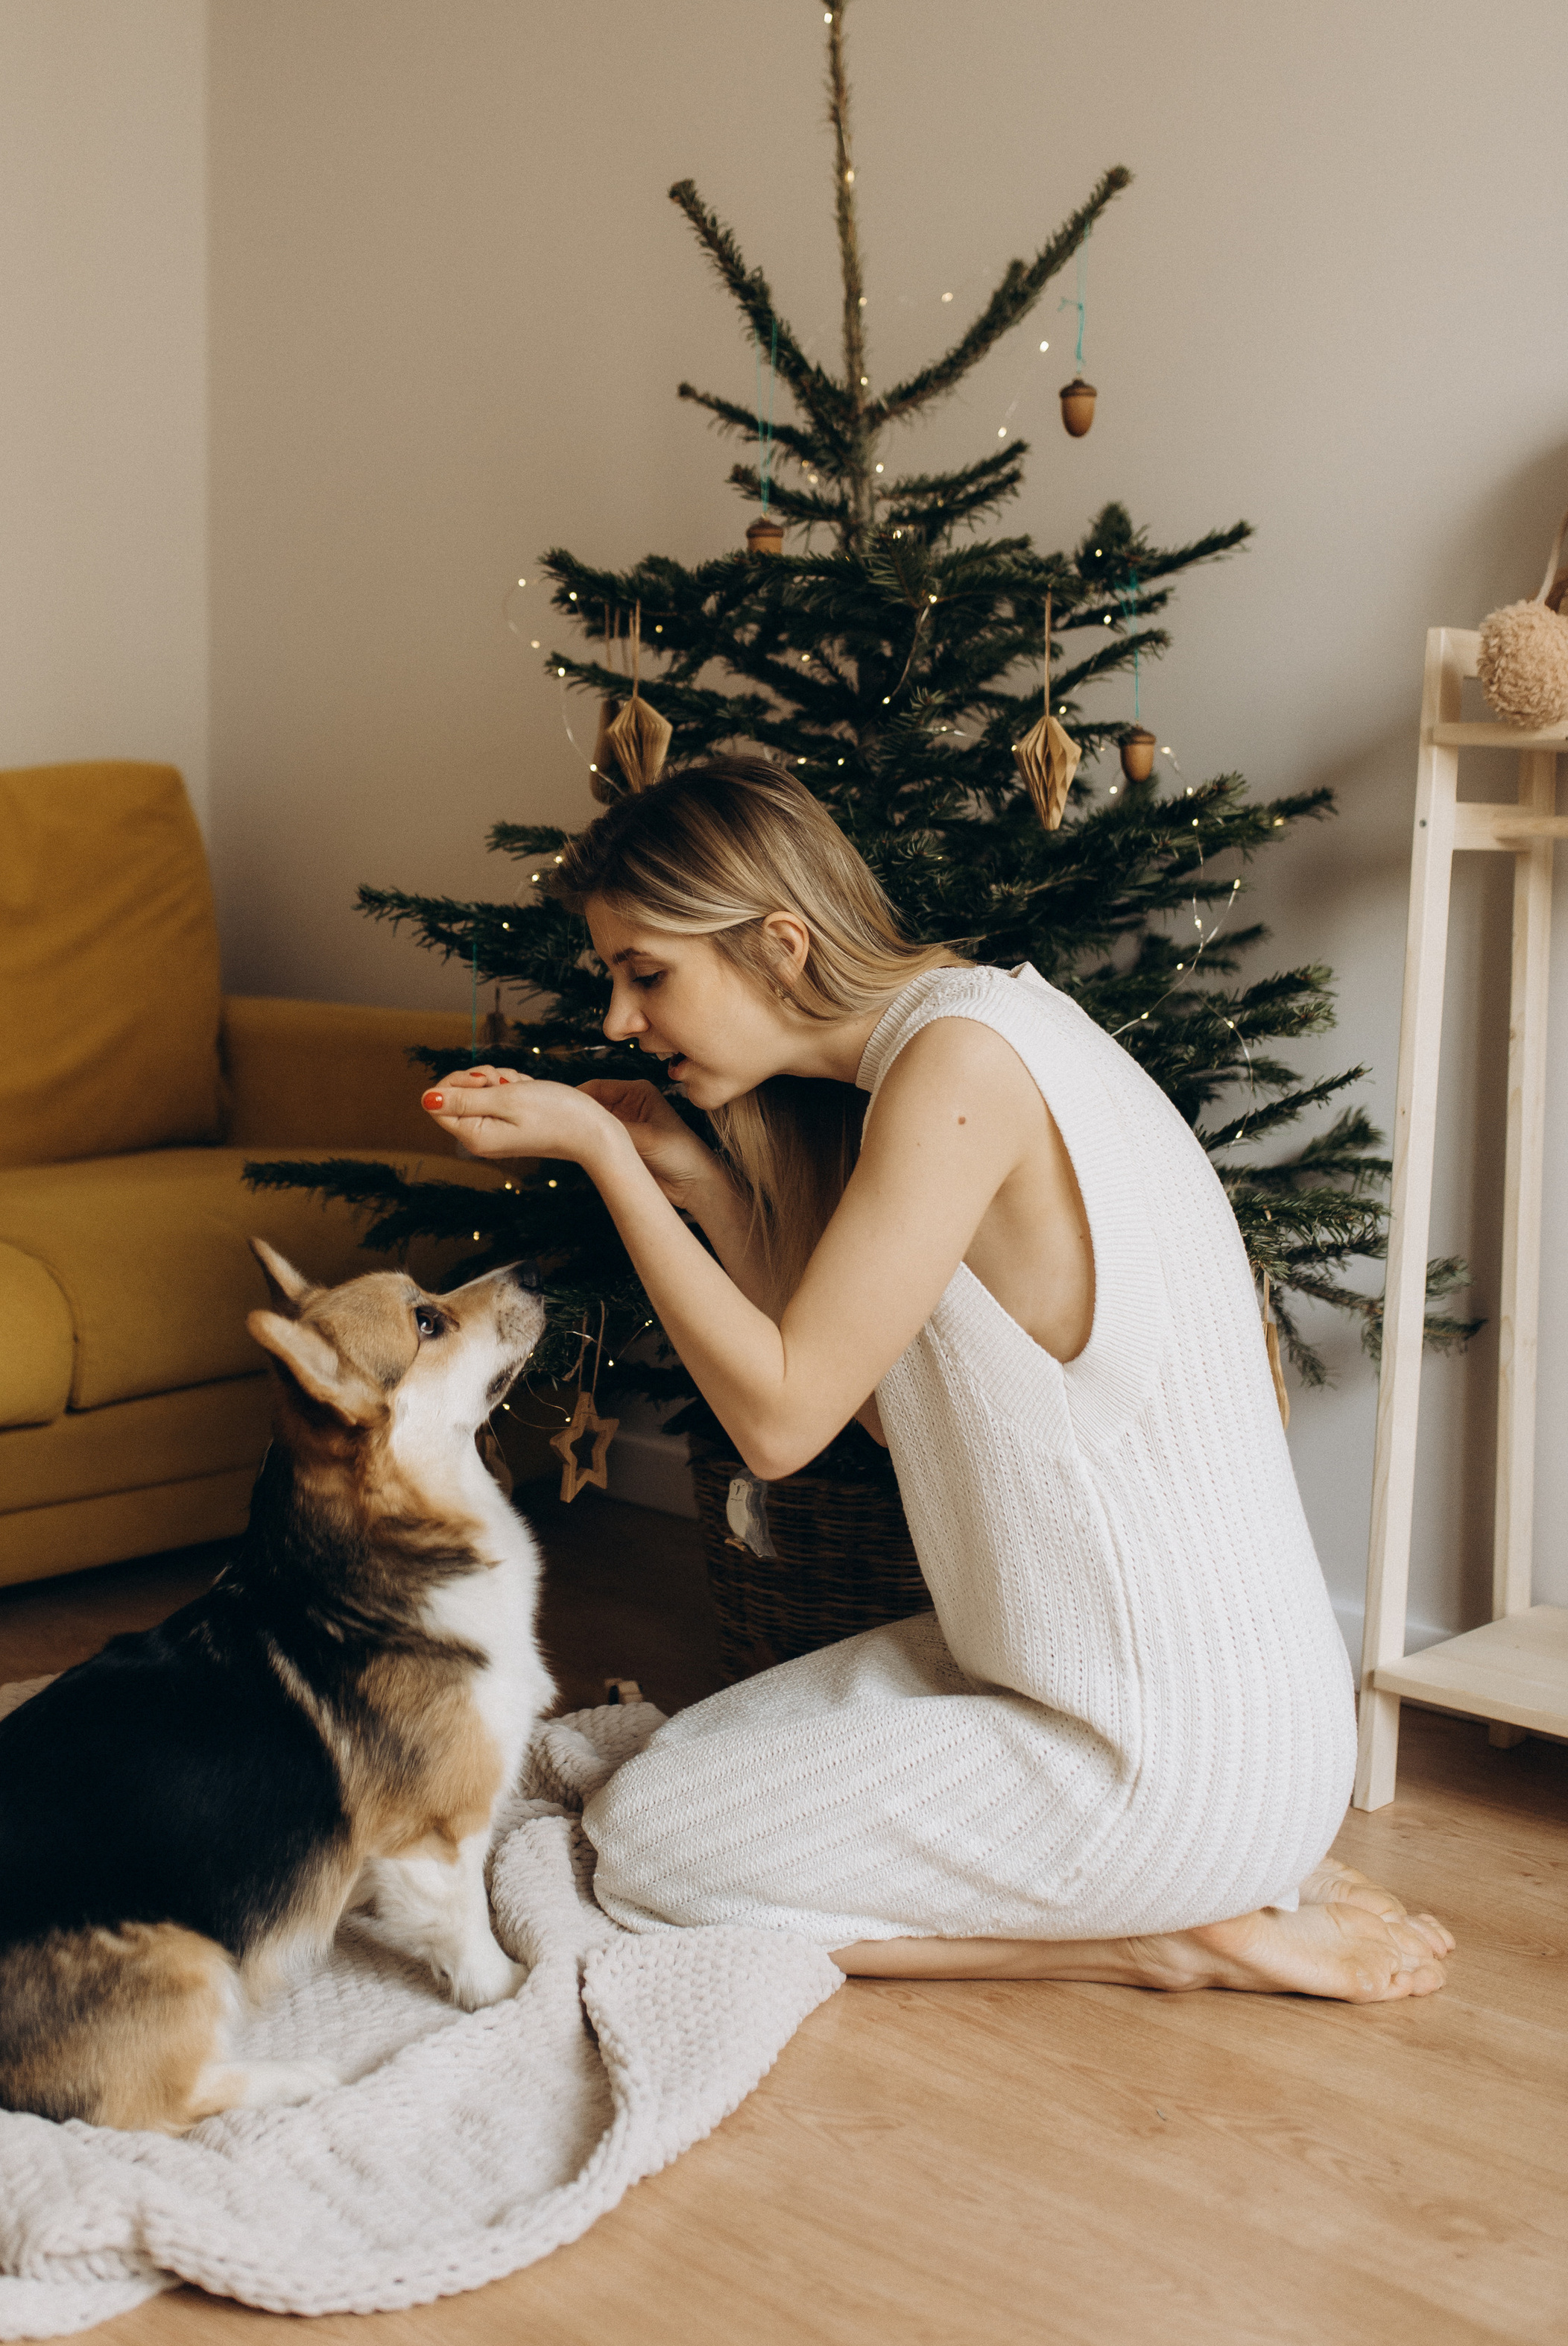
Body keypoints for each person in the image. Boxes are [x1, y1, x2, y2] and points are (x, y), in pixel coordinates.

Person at [421, 757, 1451, 2002]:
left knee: (647, 1850)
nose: (623, 1020)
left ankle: (1168, 1933)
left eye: (649, 973)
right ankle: (1234, 1873)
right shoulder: (981, 1029)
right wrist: (692, 1180)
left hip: (1168, 1755)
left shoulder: (956, 1069)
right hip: (1176, 1705)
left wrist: (603, 1155)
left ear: (781, 943)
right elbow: (867, 1400)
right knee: (692, 1761)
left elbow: (781, 1426)